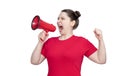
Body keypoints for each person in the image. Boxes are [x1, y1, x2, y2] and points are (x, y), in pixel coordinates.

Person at [31, 9, 106, 76]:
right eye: (58, 18)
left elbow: (101, 60)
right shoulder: (50, 42)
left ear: (72, 23)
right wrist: (40, 42)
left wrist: (100, 39)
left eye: (62, 18)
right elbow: (34, 61)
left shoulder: (82, 42)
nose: (58, 21)